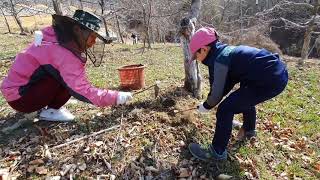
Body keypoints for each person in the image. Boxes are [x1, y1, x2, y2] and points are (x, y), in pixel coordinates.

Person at [0, 10, 133, 122]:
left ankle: (48, 105)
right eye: (91, 36)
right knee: (66, 81)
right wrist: (116, 97)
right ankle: (50, 111)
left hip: (17, 91)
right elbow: (81, 89)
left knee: (62, 78)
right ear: (76, 30)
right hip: (20, 98)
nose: (93, 42)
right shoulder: (62, 52)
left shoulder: (54, 36)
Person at [188, 27, 288, 161]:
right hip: (276, 73)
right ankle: (249, 130)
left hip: (269, 79)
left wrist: (206, 106)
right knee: (244, 95)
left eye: (196, 55)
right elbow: (227, 84)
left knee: (225, 109)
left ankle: (216, 152)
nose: (197, 59)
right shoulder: (225, 52)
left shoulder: (219, 60)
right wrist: (209, 103)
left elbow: (217, 94)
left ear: (204, 49)